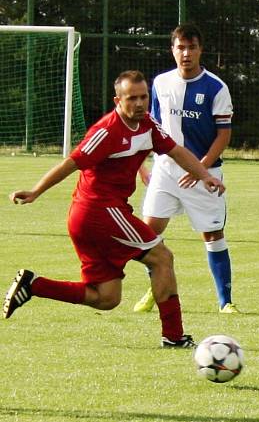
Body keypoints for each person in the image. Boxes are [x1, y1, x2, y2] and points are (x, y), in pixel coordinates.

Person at [4, 70, 225, 348]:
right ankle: (174, 336)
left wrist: (204, 175)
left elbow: (176, 151)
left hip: (95, 217)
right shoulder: (107, 130)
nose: (140, 103)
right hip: (98, 211)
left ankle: (34, 285)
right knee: (162, 257)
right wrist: (36, 191)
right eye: (132, 98)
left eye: (144, 96)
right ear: (118, 100)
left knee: (106, 297)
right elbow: (71, 163)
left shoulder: (149, 126)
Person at [133, 23, 238, 315]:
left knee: (213, 234)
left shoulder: (216, 87)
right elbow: (149, 126)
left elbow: (224, 134)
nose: (186, 53)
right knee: (148, 233)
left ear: (200, 50)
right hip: (165, 170)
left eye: (191, 47)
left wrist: (200, 168)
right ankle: (157, 289)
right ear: (173, 50)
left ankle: (225, 302)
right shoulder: (160, 83)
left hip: (204, 173)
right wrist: (141, 163)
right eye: (181, 47)